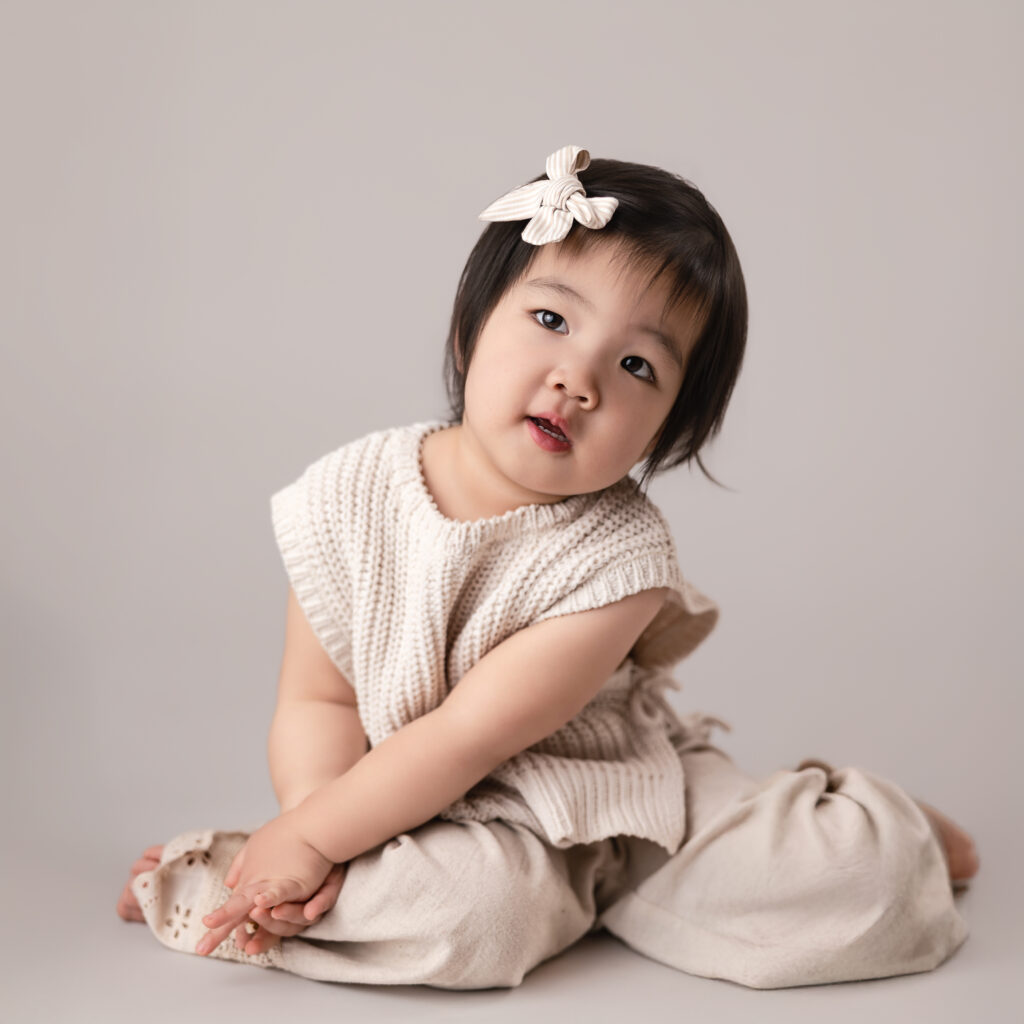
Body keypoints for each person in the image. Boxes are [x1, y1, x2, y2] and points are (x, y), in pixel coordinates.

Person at [116, 145, 978, 990]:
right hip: (431, 813)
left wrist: (318, 840)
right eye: (552, 320)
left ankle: (873, 824)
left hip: (624, 799)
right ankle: (256, 886)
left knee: (854, 879)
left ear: (664, 435)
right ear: (468, 329)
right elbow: (319, 698)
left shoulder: (621, 557)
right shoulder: (349, 493)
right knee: (457, 916)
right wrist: (318, 831)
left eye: (637, 366)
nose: (580, 379)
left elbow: (467, 737)